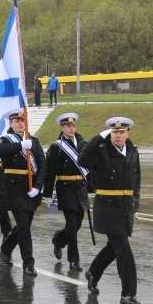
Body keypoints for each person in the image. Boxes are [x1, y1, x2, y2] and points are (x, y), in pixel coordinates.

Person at [78, 116, 142, 304]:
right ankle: (128, 294)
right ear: (109, 133)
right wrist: (98, 137)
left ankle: (93, 272)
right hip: (107, 205)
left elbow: (136, 180)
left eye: (122, 132)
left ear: (127, 133)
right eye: (114, 132)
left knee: (114, 247)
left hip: (125, 206)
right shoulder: (101, 151)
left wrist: (136, 205)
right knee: (123, 248)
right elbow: (82, 159)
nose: (118, 135)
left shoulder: (132, 151)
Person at [0, 108, 47, 276]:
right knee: (24, 225)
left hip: (30, 188)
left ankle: (7, 247)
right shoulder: (5, 140)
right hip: (14, 188)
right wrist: (19, 146)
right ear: (10, 123)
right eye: (17, 121)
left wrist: (38, 187)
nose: (20, 123)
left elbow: (43, 165)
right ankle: (28, 263)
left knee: (24, 225)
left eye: (22, 121)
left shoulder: (33, 141)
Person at [43, 113, 90, 272]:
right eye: (68, 126)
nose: (71, 128)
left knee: (77, 223)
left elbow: (90, 167)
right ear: (62, 128)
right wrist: (47, 194)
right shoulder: (56, 147)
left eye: (73, 125)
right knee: (71, 223)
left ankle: (58, 240)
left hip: (80, 187)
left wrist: (91, 188)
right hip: (65, 187)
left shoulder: (83, 143)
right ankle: (74, 260)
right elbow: (50, 172)